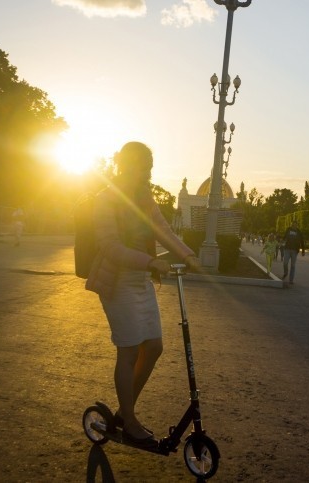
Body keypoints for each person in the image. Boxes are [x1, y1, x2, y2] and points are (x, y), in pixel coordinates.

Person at [85, 141, 197, 447]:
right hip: (116, 281)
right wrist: (149, 261)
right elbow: (109, 246)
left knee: (155, 347)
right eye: (136, 165)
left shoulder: (145, 198)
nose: (142, 171)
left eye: (146, 166)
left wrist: (188, 256)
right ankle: (130, 421)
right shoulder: (105, 199)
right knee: (130, 349)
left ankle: (124, 411)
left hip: (141, 280)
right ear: (122, 164)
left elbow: (163, 229)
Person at [281, 220, 305, 284]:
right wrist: (282, 242)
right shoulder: (288, 229)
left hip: (295, 250)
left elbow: (302, 241)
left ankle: (291, 280)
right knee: (285, 263)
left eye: (295, 224)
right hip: (287, 249)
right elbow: (284, 237)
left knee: (293, 265)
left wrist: (303, 250)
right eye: (292, 224)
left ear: (297, 225)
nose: (293, 225)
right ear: (291, 224)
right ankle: (285, 273)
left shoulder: (299, 232)